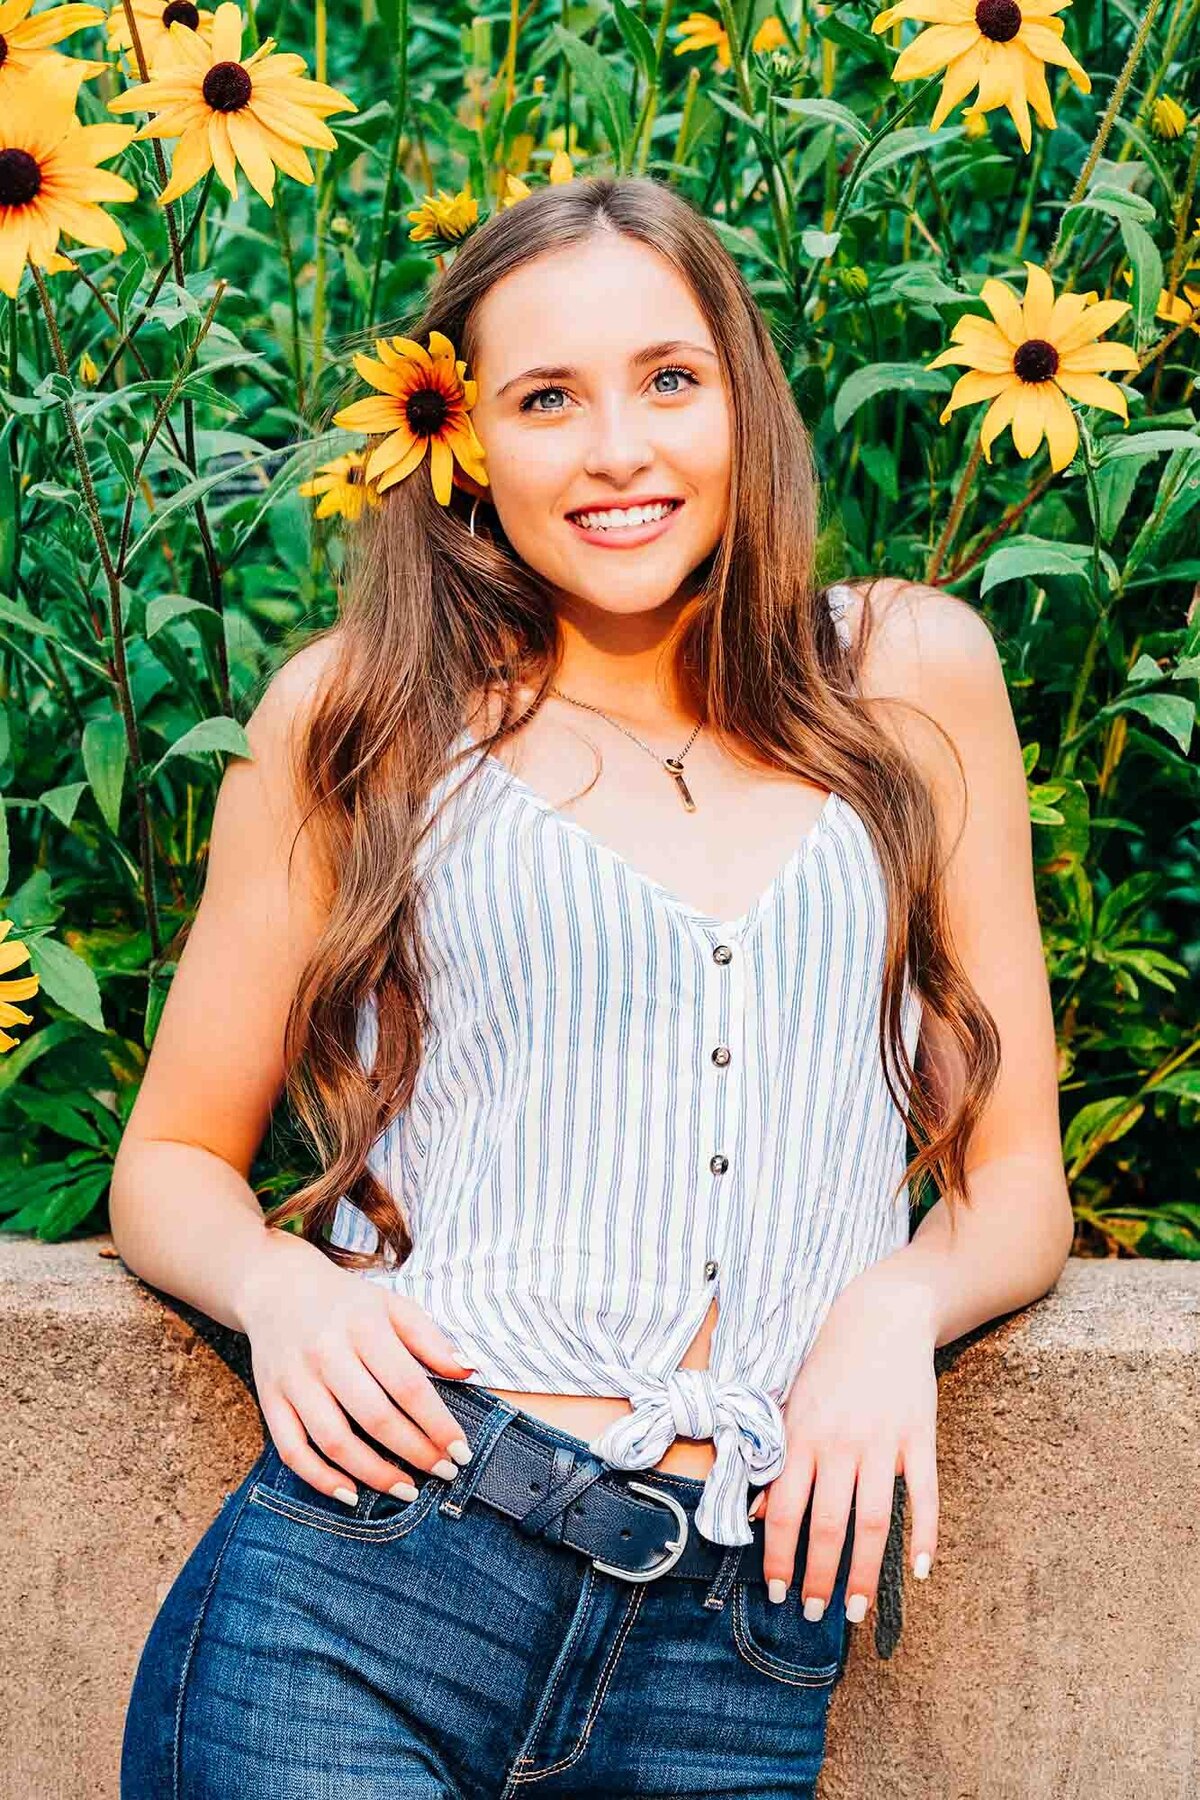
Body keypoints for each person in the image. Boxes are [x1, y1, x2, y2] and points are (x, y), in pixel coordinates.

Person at [111, 175, 1074, 1799]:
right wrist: (289, 1291)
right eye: (548, 399)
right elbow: (169, 1163)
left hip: (745, 1635)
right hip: (377, 1574)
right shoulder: (362, 717)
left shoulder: (907, 676)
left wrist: (894, 1305)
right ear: (469, 442)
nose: (618, 448)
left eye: (669, 379)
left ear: (742, 400)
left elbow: (1019, 1189)